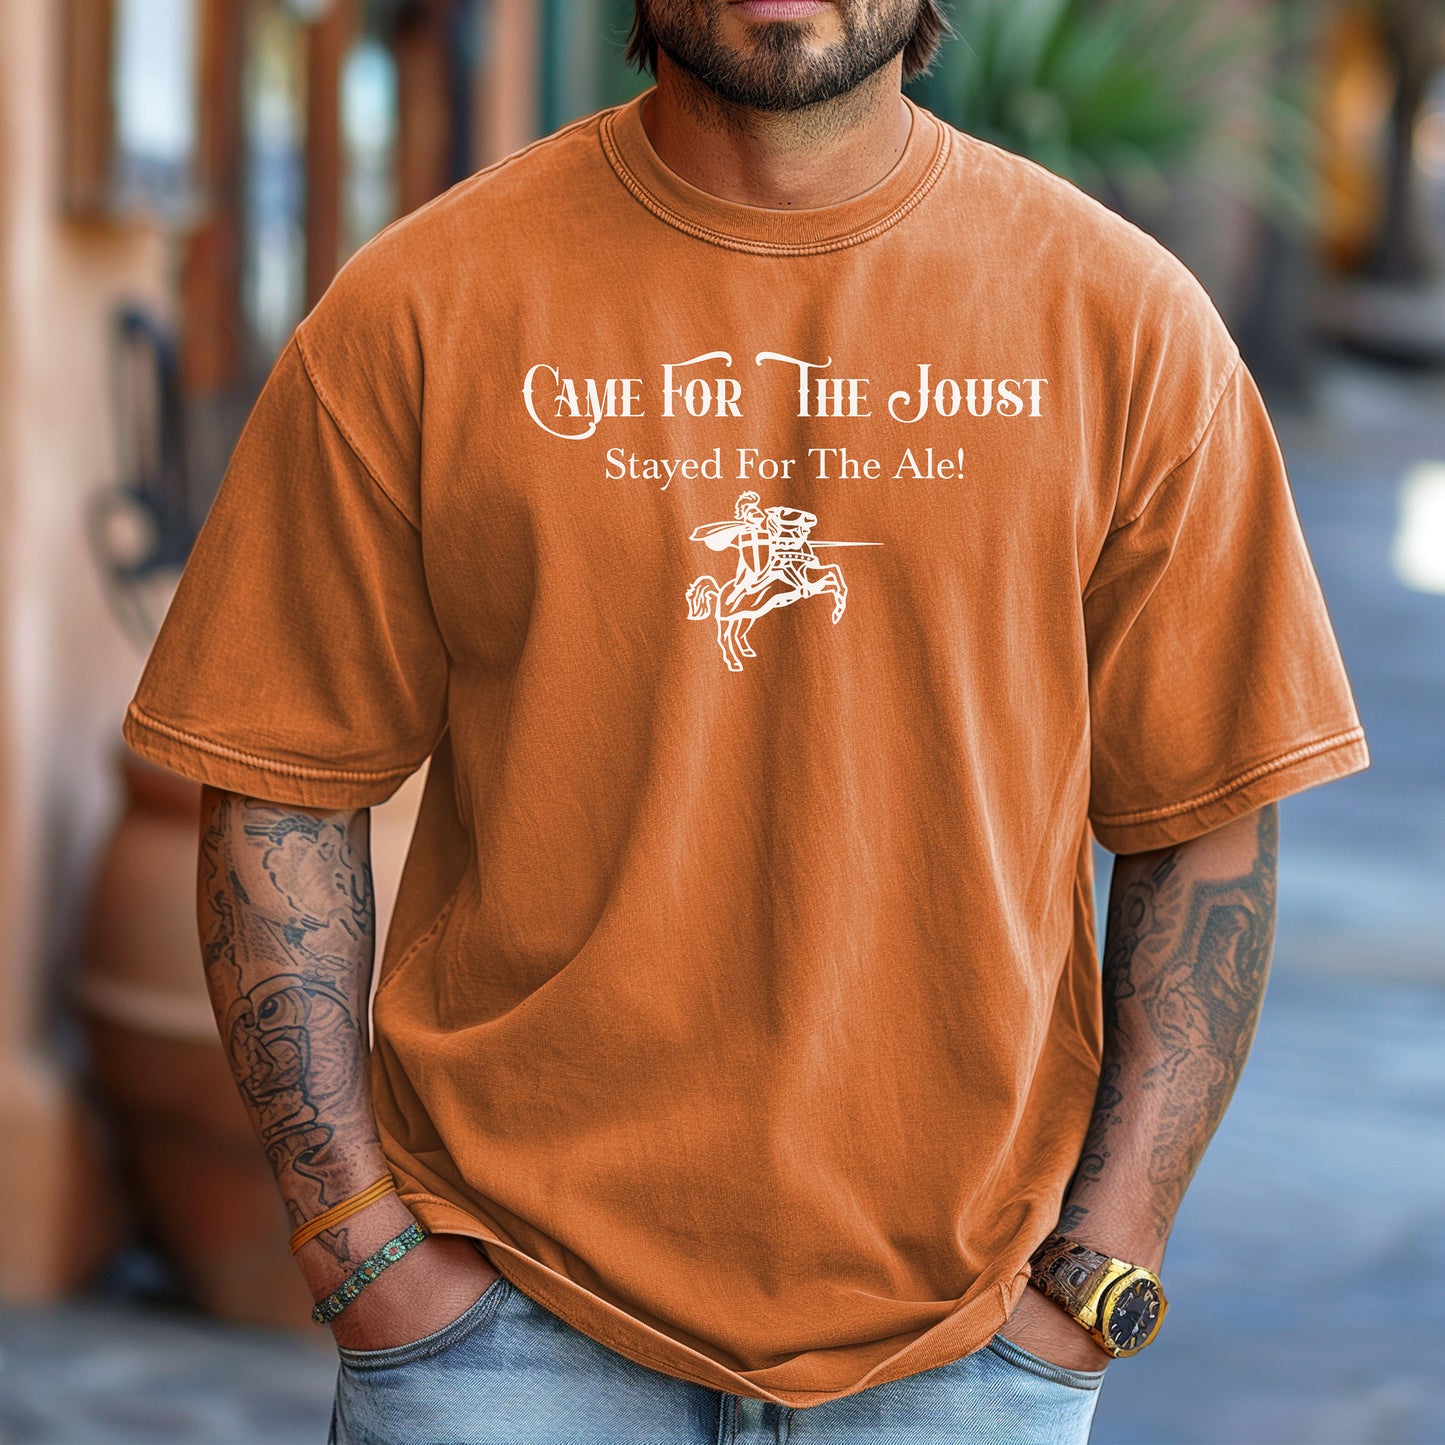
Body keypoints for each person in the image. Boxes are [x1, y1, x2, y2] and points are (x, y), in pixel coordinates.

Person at [122, 1, 1369, 1440]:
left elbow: (1206, 818)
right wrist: (360, 1245)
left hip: (965, 1345)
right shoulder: (422, 305)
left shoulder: (1122, 322)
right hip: (508, 1336)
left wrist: (1100, 1267)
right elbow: (279, 782)